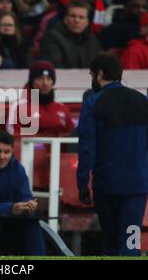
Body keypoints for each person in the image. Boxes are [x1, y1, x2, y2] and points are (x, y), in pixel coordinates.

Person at [77, 53, 148, 256]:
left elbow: (87, 147)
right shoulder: (143, 101)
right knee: (131, 242)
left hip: (106, 186)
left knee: (110, 242)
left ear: (100, 74)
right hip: (137, 186)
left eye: (92, 75)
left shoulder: (92, 103)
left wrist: (82, 182)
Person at [0, 130, 46, 256]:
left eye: (7, 152)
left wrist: (29, 205)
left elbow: (25, 197)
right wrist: (10, 208)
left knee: (32, 223)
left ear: (12, 151)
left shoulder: (17, 168)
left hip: (11, 221)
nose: (2, 156)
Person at [7, 61, 74, 137]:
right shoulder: (18, 107)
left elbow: (71, 137)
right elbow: (12, 136)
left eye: (48, 79)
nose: (45, 83)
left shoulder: (62, 108)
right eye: (40, 79)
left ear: (53, 82)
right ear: (32, 82)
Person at [40, 0, 101, 69]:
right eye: (73, 16)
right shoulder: (52, 37)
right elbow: (55, 65)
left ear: (87, 22)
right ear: (65, 19)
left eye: (81, 17)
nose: (77, 20)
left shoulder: (92, 40)